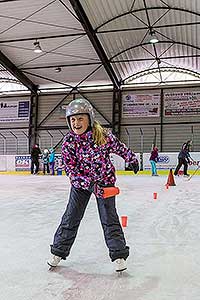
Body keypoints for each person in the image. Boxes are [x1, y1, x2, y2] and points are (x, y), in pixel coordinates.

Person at [47, 98, 139, 273]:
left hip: (105, 182)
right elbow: (71, 171)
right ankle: (58, 251)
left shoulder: (102, 135)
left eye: (80, 118)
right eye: (72, 120)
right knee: (71, 217)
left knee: (109, 218)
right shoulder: (69, 142)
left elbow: (119, 147)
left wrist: (132, 159)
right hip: (81, 185)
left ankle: (118, 254)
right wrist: (89, 185)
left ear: (89, 118)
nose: (76, 123)